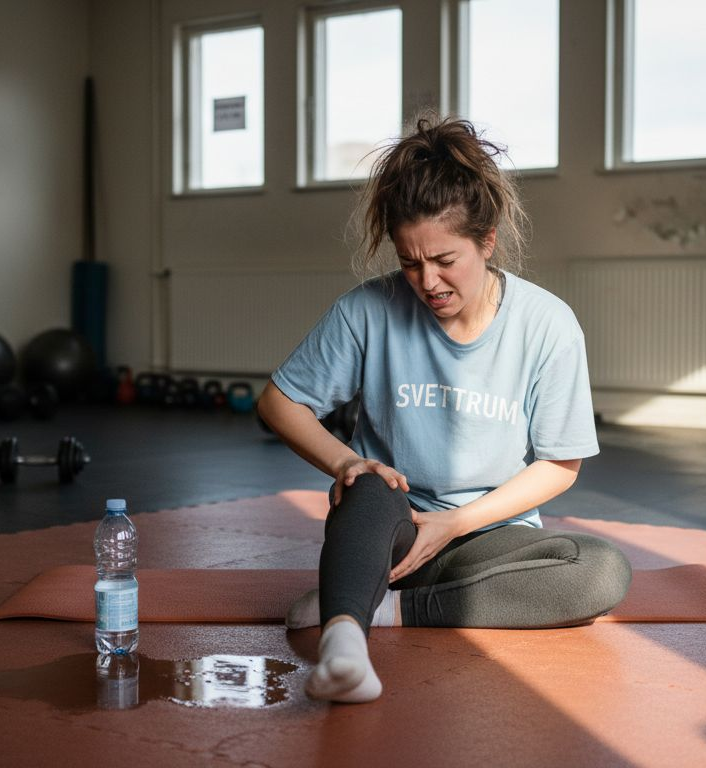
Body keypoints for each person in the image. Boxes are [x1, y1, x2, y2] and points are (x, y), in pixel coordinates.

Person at [257, 117, 633, 704]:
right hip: (391, 528)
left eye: (444, 259)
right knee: (368, 486)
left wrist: (455, 524)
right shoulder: (368, 311)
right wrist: (346, 464)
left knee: (601, 569)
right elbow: (279, 402)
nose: (427, 281)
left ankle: (382, 609)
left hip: (487, 538)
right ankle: (343, 642)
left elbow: (561, 464)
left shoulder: (548, 325)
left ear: (486, 241)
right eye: (410, 263)